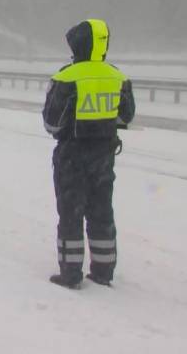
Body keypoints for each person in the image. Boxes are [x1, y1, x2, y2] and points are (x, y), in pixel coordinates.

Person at [43, 19, 135, 289]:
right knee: (101, 211)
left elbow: (52, 122)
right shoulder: (117, 77)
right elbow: (125, 116)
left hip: (72, 154)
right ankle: (104, 271)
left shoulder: (66, 77)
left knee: (71, 213)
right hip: (104, 155)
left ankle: (71, 273)